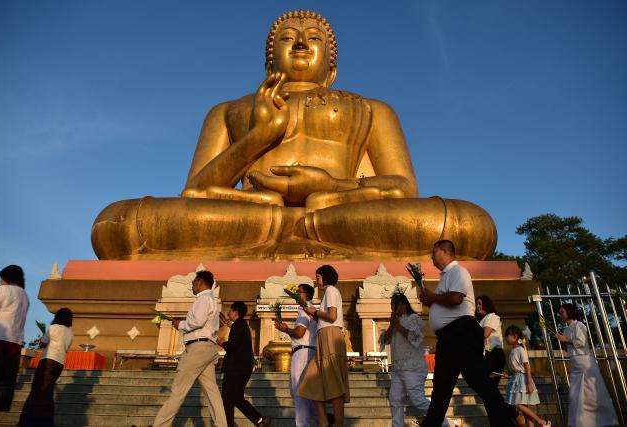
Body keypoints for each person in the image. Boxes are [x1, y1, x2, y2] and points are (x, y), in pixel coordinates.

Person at [91, 10, 497, 262]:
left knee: (468, 224)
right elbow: (195, 191)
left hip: (336, 210)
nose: (301, 42)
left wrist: (333, 187)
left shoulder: (371, 108)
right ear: (271, 61)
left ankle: (299, 222)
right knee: (118, 223)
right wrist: (263, 133)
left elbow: (402, 188)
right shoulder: (229, 110)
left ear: (331, 68)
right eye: (288, 38)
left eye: (313, 39)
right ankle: (294, 223)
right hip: (257, 212)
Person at [419, 240, 516, 427]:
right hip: (448, 337)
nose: (431, 256)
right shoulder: (445, 277)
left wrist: (433, 297)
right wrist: (430, 300)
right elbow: (444, 301)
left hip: (461, 333)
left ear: (445, 252)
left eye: (434, 252)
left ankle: (505, 418)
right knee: (442, 388)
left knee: (479, 382)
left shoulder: (458, 271)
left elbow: (456, 298)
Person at [152, 270, 227, 427]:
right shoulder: (210, 299)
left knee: (178, 390)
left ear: (200, 282)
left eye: (193, 282)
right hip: (209, 348)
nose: (192, 286)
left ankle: (159, 425)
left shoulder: (203, 299)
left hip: (198, 348)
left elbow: (197, 321)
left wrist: (181, 324)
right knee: (212, 392)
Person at [385, 293, 451, 427]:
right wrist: (392, 325)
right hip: (398, 368)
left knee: (417, 400)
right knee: (395, 399)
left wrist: (396, 325)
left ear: (403, 304)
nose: (392, 307)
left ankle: (444, 423)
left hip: (412, 367)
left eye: (394, 304)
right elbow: (385, 340)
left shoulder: (414, 318)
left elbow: (414, 338)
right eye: (391, 304)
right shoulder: (395, 322)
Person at [299, 265, 349, 427]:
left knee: (334, 385)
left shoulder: (331, 291)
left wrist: (314, 312)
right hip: (324, 337)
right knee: (311, 383)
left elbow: (332, 316)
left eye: (318, 277)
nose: (316, 280)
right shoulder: (328, 293)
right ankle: (324, 422)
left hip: (330, 337)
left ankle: (338, 424)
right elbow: (325, 318)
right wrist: (313, 314)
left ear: (326, 277)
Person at [556, 304, 618, 427]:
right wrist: (563, 341)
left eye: (562, 312)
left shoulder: (579, 325)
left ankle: (607, 420)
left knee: (594, 393)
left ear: (569, 312)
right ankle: (580, 422)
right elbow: (568, 348)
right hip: (575, 363)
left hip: (584, 362)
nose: (560, 314)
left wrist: (565, 339)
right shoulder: (566, 329)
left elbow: (581, 342)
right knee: (576, 394)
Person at [0, 265, 30, 427]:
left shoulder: (2, 290)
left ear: (7, 278)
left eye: (1, 278)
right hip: (13, 346)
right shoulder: (25, 296)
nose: (0, 282)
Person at [19, 308, 74, 427]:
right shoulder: (70, 333)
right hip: (59, 363)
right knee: (48, 390)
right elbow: (67, 347)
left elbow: (43, 343)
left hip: (48, 360)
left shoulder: (54, 328)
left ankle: (32, 420)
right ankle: (45, 420)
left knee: (39, 389)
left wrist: (42, 341)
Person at [217, 302, 268, 426]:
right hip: (242, 368)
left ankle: (229, 424)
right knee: (237, 398)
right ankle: (259, 419)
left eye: (231, 310)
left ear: (235, 312)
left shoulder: (238, 325)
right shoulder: (242, 325)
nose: (228, 313)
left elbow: (233, 346)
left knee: (228, 399)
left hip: (236, 369)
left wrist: (222, 343)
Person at [274, 284, 318, 427]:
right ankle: (313, 421)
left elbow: (299, 333)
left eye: (299, 292)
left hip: (303, 352)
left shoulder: (305, 310)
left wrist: (286, 329)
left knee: (299, 390)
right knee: (304, 390)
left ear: (308, 295)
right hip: (308, 350)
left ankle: (303, 423)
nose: (297, 295)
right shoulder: (309, 310)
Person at [504, 325, 550, 427]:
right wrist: (509, 374)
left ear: (515, 336)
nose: (506, 338)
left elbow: (527, 367)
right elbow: (514, 368)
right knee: (524, 407)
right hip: (515, 379)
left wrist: (529, 383)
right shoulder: (512, 351)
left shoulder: (521, 350)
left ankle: (542, 422)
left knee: (517, 404)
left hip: (522, 380)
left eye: (508, 335)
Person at [475, 295, 505, 386]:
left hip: (494, 354)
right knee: (486, 384)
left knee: (491, 383)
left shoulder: (492, 316)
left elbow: (485, 334)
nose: (477, 306)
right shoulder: (481, 320)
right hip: (486, 354)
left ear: (486, 304)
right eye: (476, 304)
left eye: (480, 304)